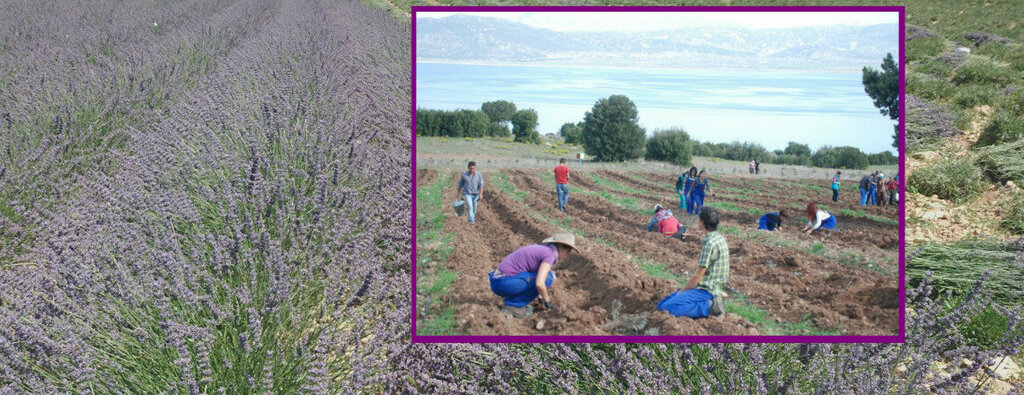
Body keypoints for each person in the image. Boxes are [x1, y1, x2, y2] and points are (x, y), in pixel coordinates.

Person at [657, 207, 728, 318]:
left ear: (702, 222)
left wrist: (683, 290)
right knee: (661, 304)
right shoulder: (719, 238)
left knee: (666, 308)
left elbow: (698, 275)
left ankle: (709, 306)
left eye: (699, 219)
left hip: (706, 290)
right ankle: (705, 303)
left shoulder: (709, 244)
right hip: (713, 287)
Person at [489, 230, 577, 318]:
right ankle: (513, 306)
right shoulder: (549, 255)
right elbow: (539, 283)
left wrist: (540, 297)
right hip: (502, 283)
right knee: (548, 277)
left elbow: (535, 274)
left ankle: (515, 303)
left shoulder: (545, 250)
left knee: (547, 275)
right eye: (568, 251)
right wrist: (547, 301)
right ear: (560, 247)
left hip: (500, 281)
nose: (567, 255)